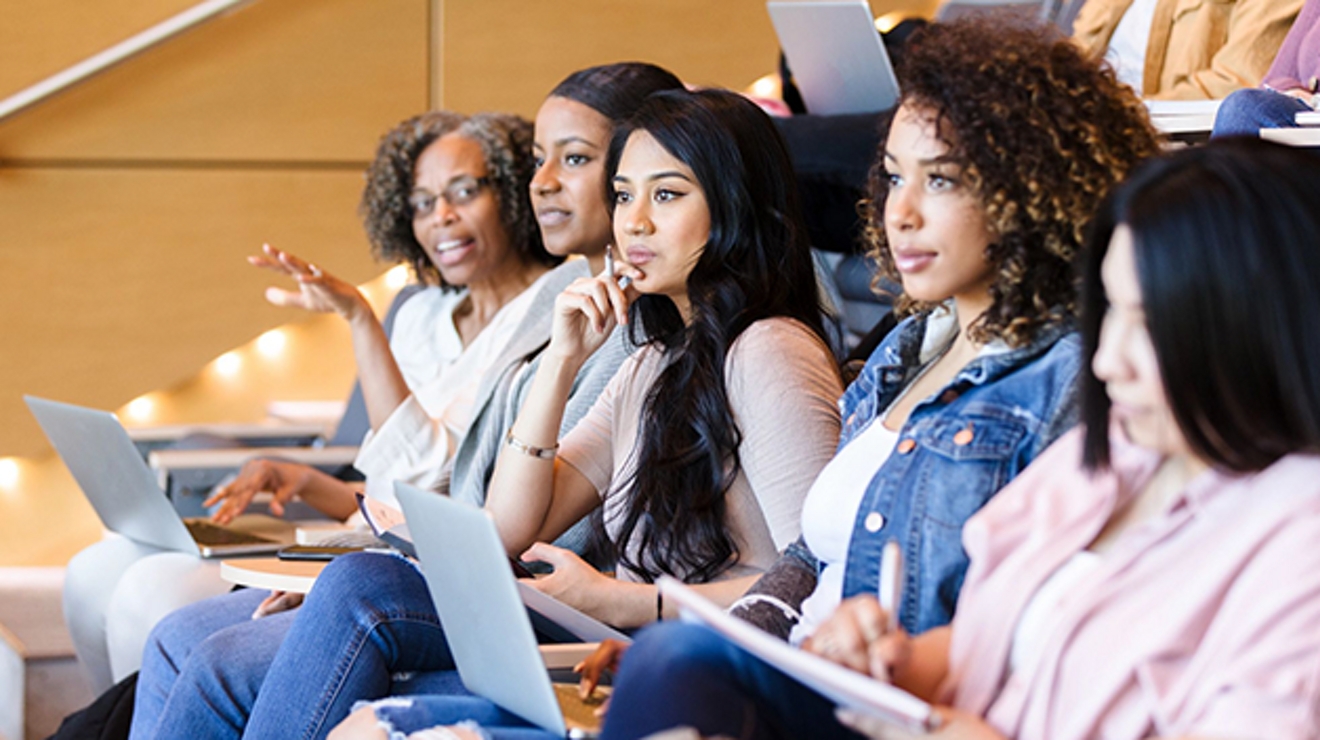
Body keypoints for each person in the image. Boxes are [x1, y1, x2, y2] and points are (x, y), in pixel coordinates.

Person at [336, 19, 1164, 740]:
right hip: (762, 658)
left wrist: (654, 619)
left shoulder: (1036, 375)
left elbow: (1027, 609)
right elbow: (798, 564)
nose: (897, 211)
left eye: (939, 179)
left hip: (852, 686)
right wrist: (561, 361)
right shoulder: (897, 351)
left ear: (1030, 193)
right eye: (895, 177)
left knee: (378, 622)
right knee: (372, 701)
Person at [192, 86, 844, 740]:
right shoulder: (654, 363)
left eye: (667, 195)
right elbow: (507, 526)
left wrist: (625, 600)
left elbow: (817, 584)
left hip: (698, 671)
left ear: (735, 208)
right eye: (623, 195)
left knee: (360, 597)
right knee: (350, 616)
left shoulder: (770, 351)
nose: (635, 222)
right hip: (616, 642)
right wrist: (560, 363)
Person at [641, 137, 1320, 740]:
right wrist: (896, 660)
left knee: (669, 667)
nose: (1109, 362)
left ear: (1258, 323)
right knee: (670, 675)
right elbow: (996, 642)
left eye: (1148, 325)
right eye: (1110, 316)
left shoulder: (1298, 535)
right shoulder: (1119, 453)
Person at [121, 65, 708, 740]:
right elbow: (496, 506)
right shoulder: (571, 298)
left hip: (539, 593)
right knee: (178, 635)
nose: (542, 181)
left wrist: (387, 565)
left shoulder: (670, 333)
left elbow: (530, 528)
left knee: (234, 655)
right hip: (458, 558)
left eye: (574, 159)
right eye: (540, 160)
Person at [60, 108, 561, 692]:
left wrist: (358, 319)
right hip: (354, 533)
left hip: (401, 562)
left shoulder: (552, 312)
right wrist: (298, 477)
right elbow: (383, 487)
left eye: (463, 192)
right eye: (422, 203)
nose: (440, 218)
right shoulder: (422, 311)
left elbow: (431, 477)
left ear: (512, 191)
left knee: (148, 596)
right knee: (94, 569)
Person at [1071, 0, 1302, 99]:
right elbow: (1072, 63)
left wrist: (1122, 113)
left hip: (1181, 160)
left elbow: (1238, 84)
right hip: (1097, 136)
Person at [1211, 0, 1320, 136]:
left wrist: (1314, 100)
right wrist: (1294, 89)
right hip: (1306, 119)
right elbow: (1272, 79)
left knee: (1242, 108)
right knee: (1243, 106)